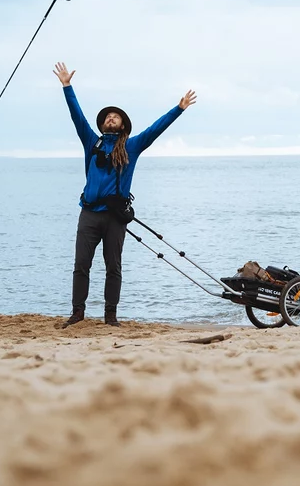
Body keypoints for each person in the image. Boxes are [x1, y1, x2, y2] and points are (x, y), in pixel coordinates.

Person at [54, 62, 196, 326]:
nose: (110, 118)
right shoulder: (91, 142)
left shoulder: (132, 147)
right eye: (107, 116)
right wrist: (67, 87)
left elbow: (155, 129)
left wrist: (178, 109)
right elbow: (77, 117)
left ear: (122, 126)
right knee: (81, 265)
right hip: (89, 214)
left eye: (115, 117)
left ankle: (111, 316)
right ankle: (77, 313)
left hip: (115, 218)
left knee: (113, 268)